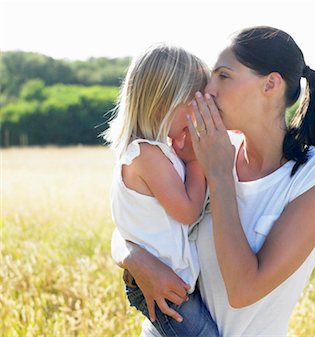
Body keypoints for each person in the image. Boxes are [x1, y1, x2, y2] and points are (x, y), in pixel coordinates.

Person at [112, 26, 315, 337]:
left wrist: (220, 175)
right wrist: (134, 258)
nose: (207, 90)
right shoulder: (205, 148)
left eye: (223, 76)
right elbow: (137, 218)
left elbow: (242, 291)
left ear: (271, 85)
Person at [103, 44, 220, 337]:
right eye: (193, 103)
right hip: (163, 288)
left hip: (171, 282)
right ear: (163, 104)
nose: (199, 112)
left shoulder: (159, 152)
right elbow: (188, 211)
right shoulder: (147, 155)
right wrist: (195, 160)